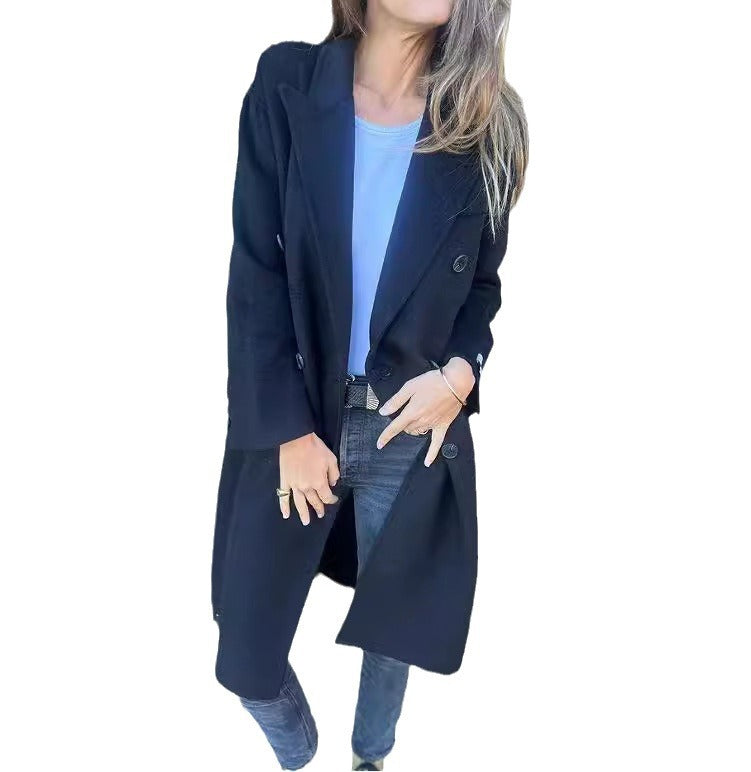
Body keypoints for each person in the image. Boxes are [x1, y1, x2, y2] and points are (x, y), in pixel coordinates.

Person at [211, 1, 528, 768]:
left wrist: (459, 377)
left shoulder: (484, 120)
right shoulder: (287, 81)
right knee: (245, 648)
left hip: (408, 424)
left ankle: (370, 756)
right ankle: (300, 754)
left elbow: (482, 289)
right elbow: (256, 275)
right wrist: (289, 431)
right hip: (296, 413)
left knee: (394, 626)